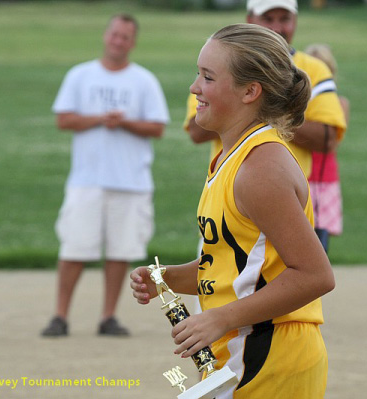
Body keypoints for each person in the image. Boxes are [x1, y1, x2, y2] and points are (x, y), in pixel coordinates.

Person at [131, 24, 335, 398]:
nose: (194, 88)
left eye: (208, 77)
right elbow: (237, 267)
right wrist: (167, 278)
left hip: (268, 354)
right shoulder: (235, 157)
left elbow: (314, 275)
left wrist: (221, 317)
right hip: (245, 352)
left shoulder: (261, 168)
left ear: (250, 91)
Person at [41, 13, 170, 337]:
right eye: (115, 34)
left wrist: (123, 123)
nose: (118, 41)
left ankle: (108, 316)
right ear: (105, 36)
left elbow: (157, 127)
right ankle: (60, 316)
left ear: (133, 42)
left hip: (131, 181)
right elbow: (63, 119)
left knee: (120, 252)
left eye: (125, 37)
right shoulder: (81, 75)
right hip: (88, 179)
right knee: (74, 249)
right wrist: (101, 119)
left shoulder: (144, 81)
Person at [184, 0, 347, 251]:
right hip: (231, 196)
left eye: (284, 19)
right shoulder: (224, 62)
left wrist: (262, 112)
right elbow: (196, 130)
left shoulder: (314, 69)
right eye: (268, 18)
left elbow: (327, 138)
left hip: (281, 198)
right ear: (250, 19)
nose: (277, 27)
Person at [305, 44, 351, 252]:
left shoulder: (339, 103)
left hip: (323, 176)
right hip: (302, 174)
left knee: (320, 241)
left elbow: (332, 141)